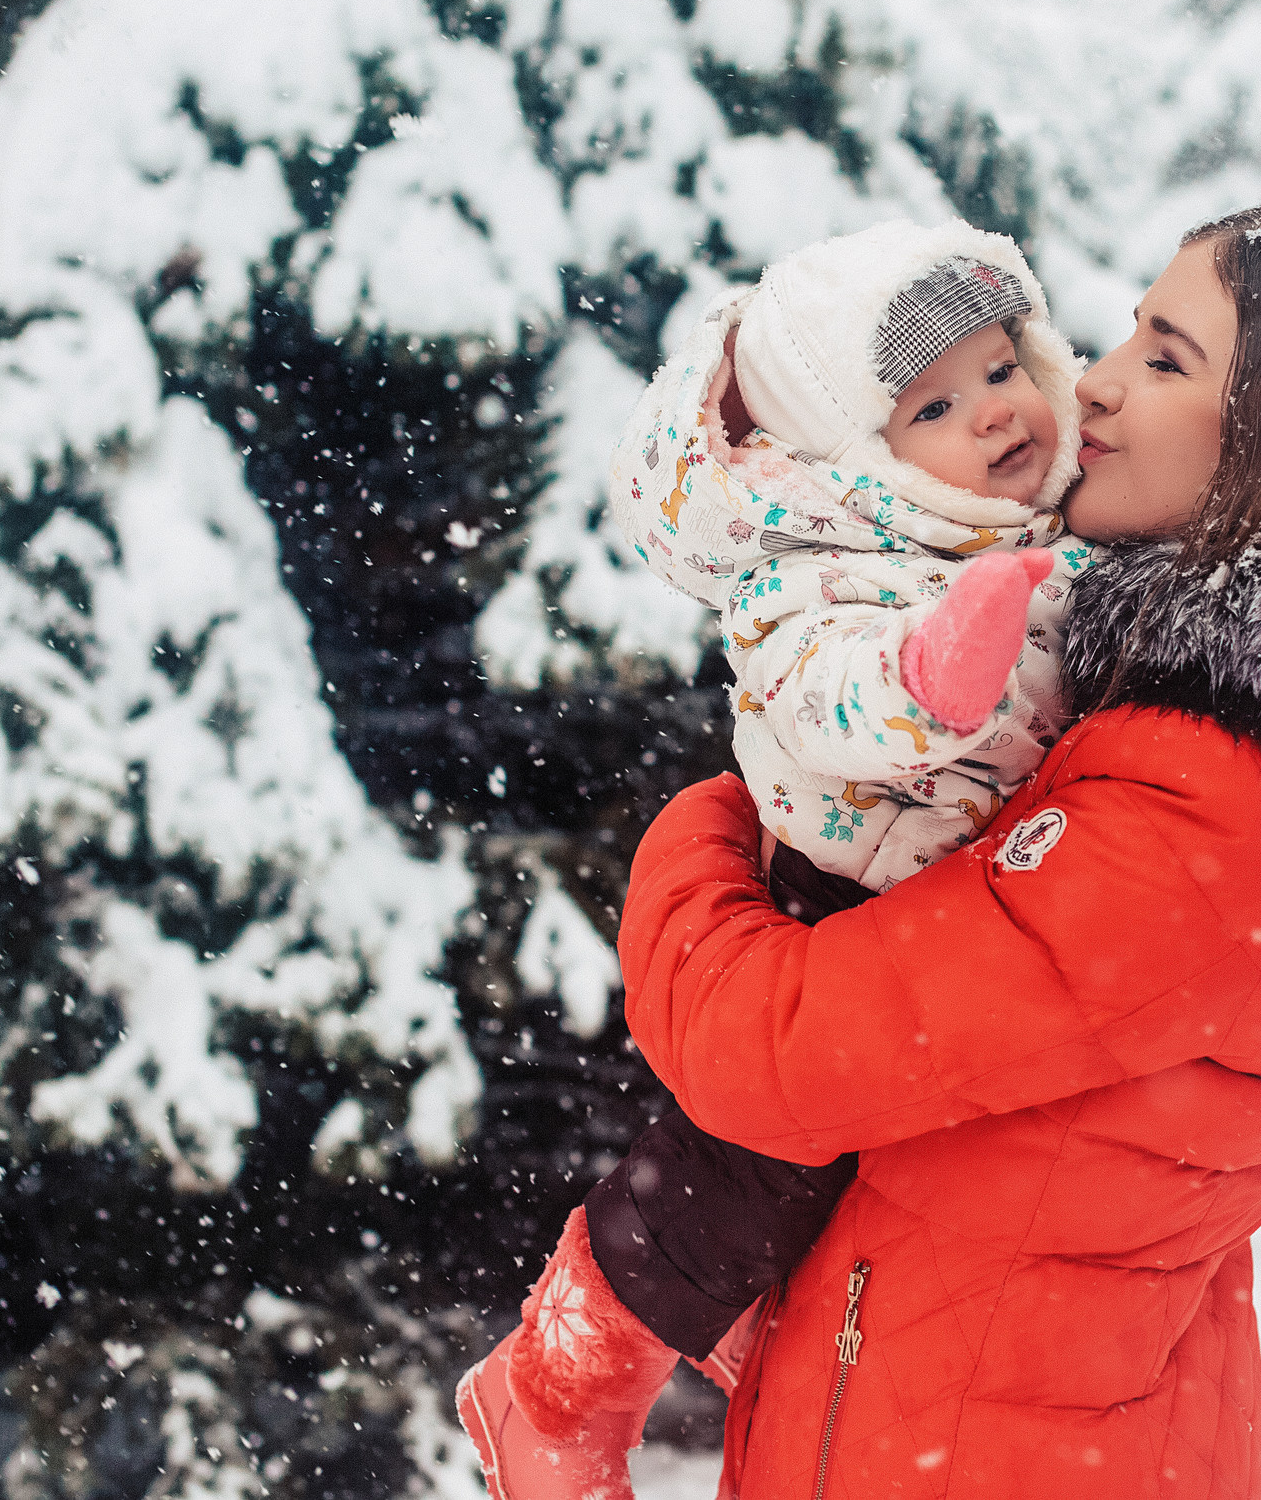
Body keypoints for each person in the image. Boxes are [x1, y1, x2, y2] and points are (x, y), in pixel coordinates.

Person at [606, 206, 1261, 1498]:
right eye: (1126, 329)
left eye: (1167, 358)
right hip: (1049, 1421)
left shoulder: (1219, 797)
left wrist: (706, 824)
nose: (1095, 379)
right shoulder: (1256, 728)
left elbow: (770, 1049)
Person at [458, 219, 1099, 1497]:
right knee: (749, 1162)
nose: (994, 413)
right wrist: (929, 674)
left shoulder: (1062, 510)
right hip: (842, 891)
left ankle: (749, 1320)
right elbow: (828, 697)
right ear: (863, 454)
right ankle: (552, 1391)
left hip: (952, 902)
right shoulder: (824, 563)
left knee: (872, 1179)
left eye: (1000, 367)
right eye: (933, 405)